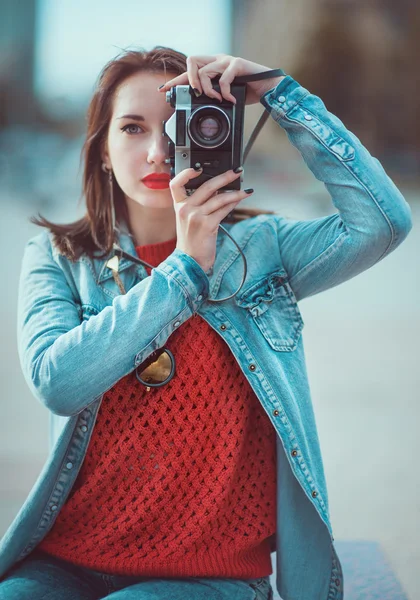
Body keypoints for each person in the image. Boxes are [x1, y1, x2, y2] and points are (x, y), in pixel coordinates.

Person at [0, 46, 412, 600]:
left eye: (178, 126)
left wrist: (279, 93)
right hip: (65, 562)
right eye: (132, 128)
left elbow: (382, 222)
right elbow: (57, 381)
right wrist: (184, 270)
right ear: (100, 150)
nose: (157, 151)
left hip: (208, 576)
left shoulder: (262, 248)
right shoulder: (58, 257)